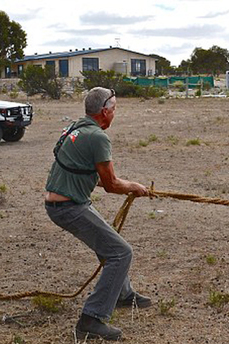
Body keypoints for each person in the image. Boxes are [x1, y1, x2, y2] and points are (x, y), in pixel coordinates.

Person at [44, 87, 151, 341]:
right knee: (121, 252)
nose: (115, 113)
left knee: (110, 244)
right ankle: (91, 319)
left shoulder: (75, 128)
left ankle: (122, 294)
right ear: (104, 112)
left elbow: (95, 177)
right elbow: (111, 184)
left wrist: (129, 186)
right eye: (114, 109)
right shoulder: (98, 138)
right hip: (68, 208)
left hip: (64, 202)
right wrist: (133, 187)